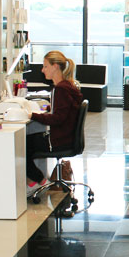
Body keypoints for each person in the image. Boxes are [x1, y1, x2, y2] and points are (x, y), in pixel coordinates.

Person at [25, 51, 83, 192]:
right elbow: (64, 111)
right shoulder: (68, 86)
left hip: (58, 141)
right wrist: (49, 109)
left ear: (55, 66)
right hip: (66, 138)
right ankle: (34, 180)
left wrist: (31, 115)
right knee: (28, 142)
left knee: (21, 145)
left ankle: (39, 179)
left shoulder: (61, 89)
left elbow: (57, 119)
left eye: (45, 66)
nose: (42, 70)